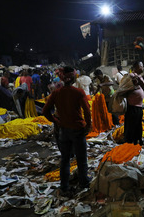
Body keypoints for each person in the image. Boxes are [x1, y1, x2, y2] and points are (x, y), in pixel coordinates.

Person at [42, 66, 91, 195]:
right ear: (74, 77)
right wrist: (88, 126)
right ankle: (84, 182)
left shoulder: (56, 93)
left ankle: (64, 187)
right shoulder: (79, 92)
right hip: (77, 129)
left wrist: (56, 121)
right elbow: (86, 111)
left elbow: (45, 111)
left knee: (65, 159)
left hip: (63, 130)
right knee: (81, 158)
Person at [124, 61, 144, 145]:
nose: (143, 68)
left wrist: (139, 81)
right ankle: (130, 143)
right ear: (136, 67)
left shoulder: (139, 77)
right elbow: (124, 88)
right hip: (132, 106)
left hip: (139, 106)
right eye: (141, 66)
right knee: (131, 125)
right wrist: (133, 83)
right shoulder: (130, 76)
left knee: (138, 125)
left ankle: (138, 140)